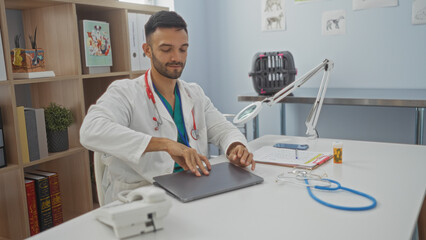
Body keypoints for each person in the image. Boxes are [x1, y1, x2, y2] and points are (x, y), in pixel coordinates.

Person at [80, 11, 255, 204]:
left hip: (194, 188)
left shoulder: (194, 93)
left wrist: (236, 147)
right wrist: (165, 144)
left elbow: (223, 130)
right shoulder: (124, 92)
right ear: (147, 50)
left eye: (183, 49)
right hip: (143, 196)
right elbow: (91, 130)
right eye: (166, 49)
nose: (176, 57)